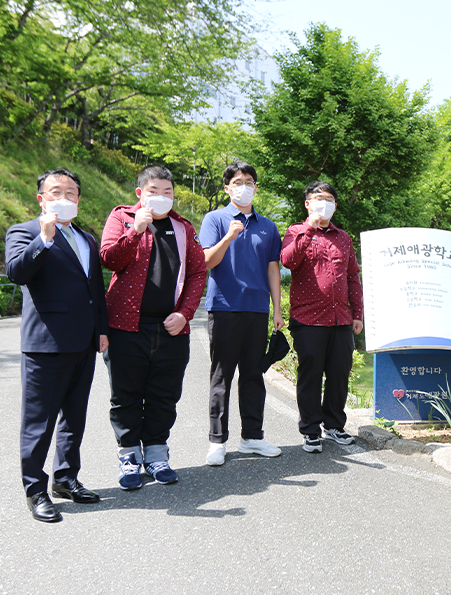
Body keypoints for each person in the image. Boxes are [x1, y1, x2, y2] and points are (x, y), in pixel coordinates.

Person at [5, 168, 108, 522]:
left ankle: (66, 479)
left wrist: (102, 330)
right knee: (39, 422)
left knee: (74, 419)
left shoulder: (87, 239)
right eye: (55, 192)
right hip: (45, 344)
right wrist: (44, 240)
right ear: (41, 198)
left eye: (71, 192)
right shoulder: (24, 231)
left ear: (79, 199)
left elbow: (95, 289)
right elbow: (17, 272)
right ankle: (35, 489)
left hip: (84, 342)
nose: (64, 198)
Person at [100, 165, 207, 489]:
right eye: (154, 191)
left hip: (171, 330)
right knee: (126, 395)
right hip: (125, 327)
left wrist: (186, 313)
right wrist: (135, 231)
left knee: (164, 395)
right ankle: (130, 456)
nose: (161, 198)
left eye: (167, 192)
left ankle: (157, 454)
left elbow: (198, 273)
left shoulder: (183, 228)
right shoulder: (122, 218)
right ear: (139, 194)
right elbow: (109, 258)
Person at [200, 161, 284, 466]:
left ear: (256, 187)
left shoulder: (268, 226)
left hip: (257, 309)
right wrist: (228, 237)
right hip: (224, 307)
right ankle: (216, 441)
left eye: (249, 181)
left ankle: (252, 437)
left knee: (253, 375)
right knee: (221, 375)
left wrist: (277, 309)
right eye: (237, 181)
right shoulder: (215, 219)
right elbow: (207, 261)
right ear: (227, 188)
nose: (243, 186)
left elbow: (272, 268)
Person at [280, 181, 363, 453]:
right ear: (307, 203)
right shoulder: (296, 231)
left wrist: (357, 313)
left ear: (335, 205)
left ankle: (335, 425)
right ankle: (311, 429)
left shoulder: (344, 238)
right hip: (308, 319)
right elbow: (288, 261)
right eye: (317, 199)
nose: (323, 203)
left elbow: (352, 277)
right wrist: (309, 228)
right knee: (311, 375)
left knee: (339, 374)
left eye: (328, 199)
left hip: (341, 318)